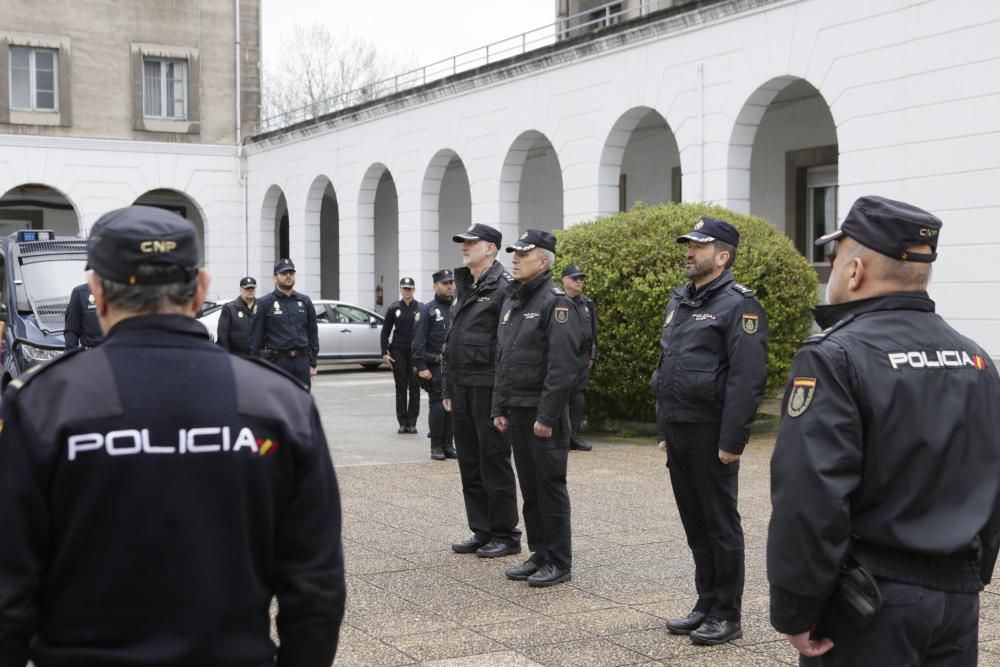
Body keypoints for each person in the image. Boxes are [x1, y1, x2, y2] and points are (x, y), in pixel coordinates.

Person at [0, 205, 345, 667]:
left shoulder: (42, 402)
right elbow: (316, 585)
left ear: (97, 292)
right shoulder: (277, 402)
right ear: (201, 288)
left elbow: (8, 587)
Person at [768, 195, 1000, 666]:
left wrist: (796, 608)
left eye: (835, 260)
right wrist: (973, 573)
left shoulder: (833, 357)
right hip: (956, 599)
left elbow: (810, 496)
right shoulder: (976, 358)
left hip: (873, 605)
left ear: (854, 271)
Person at [653, 216, 768, 645]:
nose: (689, 251)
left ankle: (727, 613)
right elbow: (667, 366)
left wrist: (732, 440)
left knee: (720, 524)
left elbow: (746, 378)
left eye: (698, 246)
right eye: (688, 244)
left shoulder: (740, 304)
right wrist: (664, 425)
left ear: (722, 256)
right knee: (695, 524)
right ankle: (705, 602)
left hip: (711, 430)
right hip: (680, 428)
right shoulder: (680, 300)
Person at [493, 230, 588, 587]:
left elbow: (563, 368)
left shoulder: (555, 302)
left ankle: (559, 560)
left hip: (541, 414)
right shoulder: (514, 300)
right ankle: (540, 552)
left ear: (544, 261)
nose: (515, 258)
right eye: (514, 253)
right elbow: (504, 359)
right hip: (517, 409)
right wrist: (499, 405)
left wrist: (547, 416)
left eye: (523, 253)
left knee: (549, 486)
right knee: (530, 488)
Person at [443, 223, 522, 559]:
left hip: (487, 387)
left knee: (494, 462)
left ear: (490, 248)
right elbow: (452, 341)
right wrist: (447, 386)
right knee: (470, 463)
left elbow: (508, 346)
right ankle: (482, 530)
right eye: (463, 242)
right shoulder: (466, 285)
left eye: (471, 242)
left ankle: (505, 534)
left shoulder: (504, 287)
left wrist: (502, 398)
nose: (465, 247)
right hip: (461, 386)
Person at [249, 259, 319, 389]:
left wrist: (313, 362)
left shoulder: (304, 301)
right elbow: (256, 339)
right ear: (275, 278)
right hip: (277, 362)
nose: (288, 276)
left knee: (302, 402)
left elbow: (313, 333)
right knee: (280, 403)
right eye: (284, 273)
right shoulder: (264, 303)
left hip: (301, 362)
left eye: (291, 273)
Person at [412, 269, 456, 460]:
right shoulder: (426, 309)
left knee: (453, 406)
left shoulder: (457, 307)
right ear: (435, 285)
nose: (449, 286)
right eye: (445, 283)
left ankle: (448, 444)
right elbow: (418, 341)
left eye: (451, 283)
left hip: (454, 366)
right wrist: (421, 367)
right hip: (435, 366)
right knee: (438, 406)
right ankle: (436, 445)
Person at [560, 264, 597, 451]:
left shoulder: (587, 304)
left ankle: (573, 435)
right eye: (575, 278)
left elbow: (593, 333)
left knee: (578, 398)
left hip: (582, 358)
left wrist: (592, 355)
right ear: (565, 280)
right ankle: (563, 436)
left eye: (581, 278)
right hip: (563, 357)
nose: (579, 281)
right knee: (562, 396)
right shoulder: (557, 302)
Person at [380, 277, 422, 434]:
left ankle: (412, 422)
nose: (407, 291)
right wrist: (384, 352)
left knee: (415, 386)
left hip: (415, 351)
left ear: (414, 290)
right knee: (401, 387)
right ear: (400, 290)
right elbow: (385, 332)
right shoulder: (393, 308)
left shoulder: (420, 308)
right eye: (404, 288)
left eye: (409, 288)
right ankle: (402, 422)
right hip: (398, 350)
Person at [217, 276, 258, 355]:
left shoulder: (261, 306)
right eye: (247, 288)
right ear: (241, 290)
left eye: (252, 288)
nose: (250, 291)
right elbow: (223, 337)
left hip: (258, 358)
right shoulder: (229, 308)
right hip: (238, 357)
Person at [63, 282, 103, 349]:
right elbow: (71, 330)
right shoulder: (80, 292)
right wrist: (72, 356)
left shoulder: (122, 291)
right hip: (92, 354)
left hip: (118, 353)